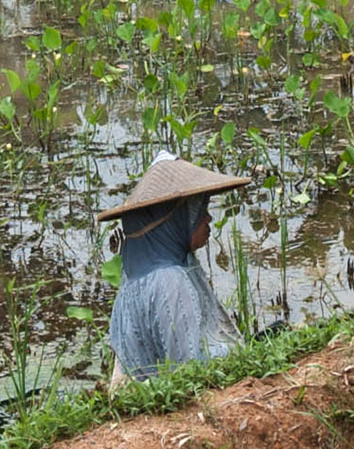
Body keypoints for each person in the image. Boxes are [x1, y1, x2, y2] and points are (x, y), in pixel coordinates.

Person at [98, 154, 245, 377]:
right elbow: (189, 370)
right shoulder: (169, 280)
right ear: (176, 221)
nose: (208, 219)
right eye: (199, 213)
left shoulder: (135, 273)